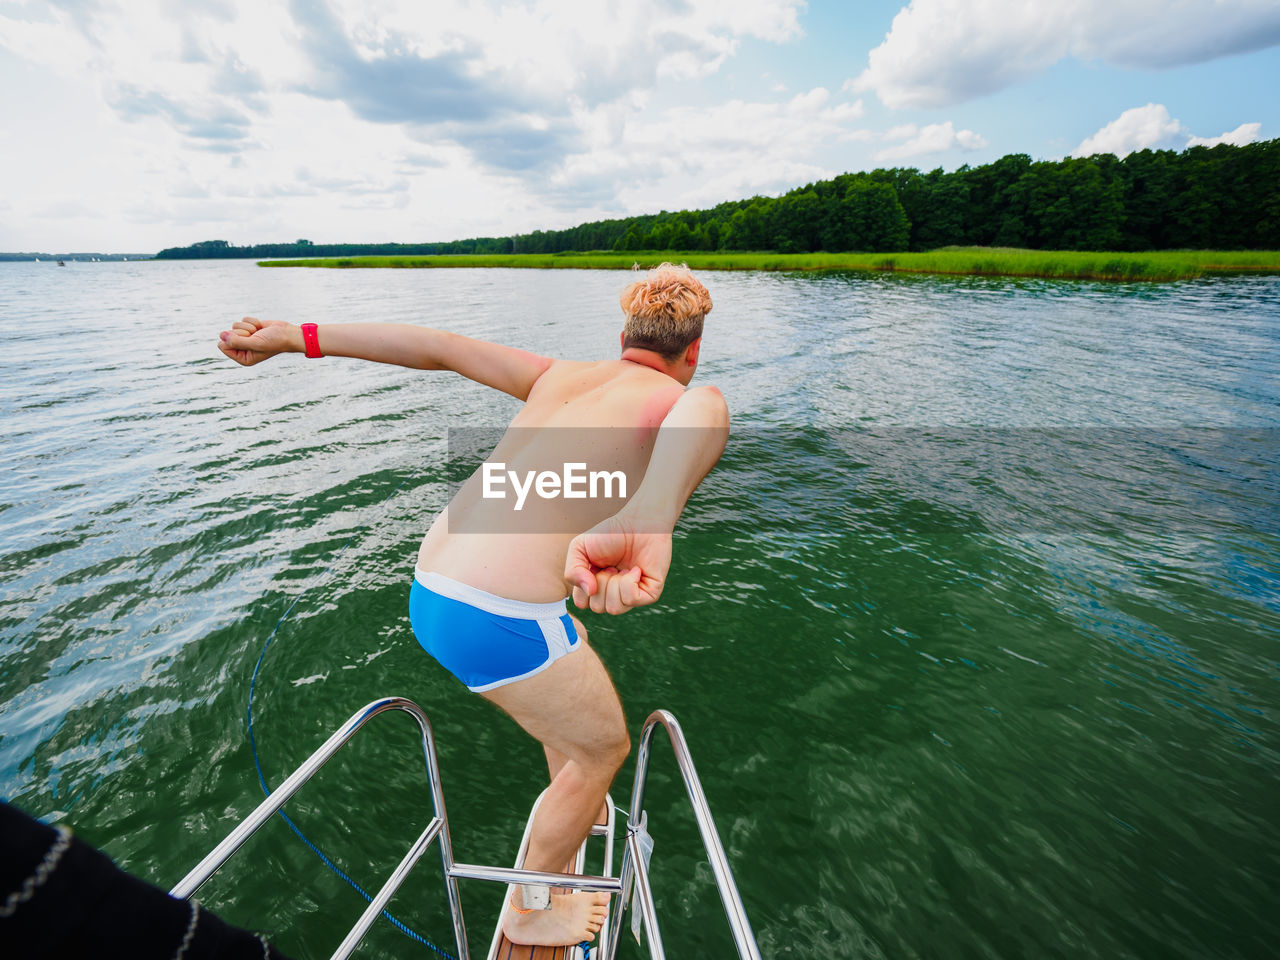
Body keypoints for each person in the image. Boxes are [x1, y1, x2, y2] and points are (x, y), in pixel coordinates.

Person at [217, 263, 729, 947]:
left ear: (622, 335)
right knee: (605, 748)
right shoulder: (683, 399)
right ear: (691, 352)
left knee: (567, 637)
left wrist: (295, 336)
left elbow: (435, 345)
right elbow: (704, 411)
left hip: (432, 583)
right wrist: (653, 514)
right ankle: (532, 907)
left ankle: (579, 798)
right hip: (494, 616)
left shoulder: (558, 375)